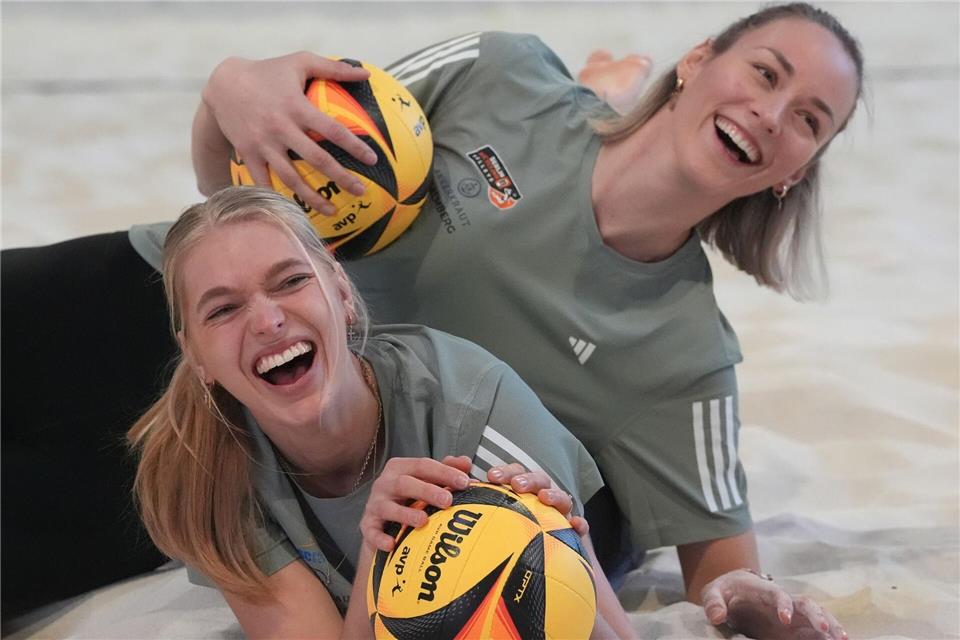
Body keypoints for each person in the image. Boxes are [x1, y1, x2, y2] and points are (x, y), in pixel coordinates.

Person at [177, 3, 861, 635]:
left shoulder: (688, 357)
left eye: (809, 119)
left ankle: (610, 89)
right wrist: (229, 87)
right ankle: (608, 89)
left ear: (794, 175)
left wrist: (748, 597)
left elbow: (720, 571)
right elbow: (232, 185)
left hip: (293, 438)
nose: (773, 113)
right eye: (765, 73)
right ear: (698, 59)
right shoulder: (498, 70)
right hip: (220, 318)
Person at [127, 186, 634, 638]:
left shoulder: (475, 413)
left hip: (591, 512)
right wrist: (376, 553)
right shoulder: (203, 470)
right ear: (194, 357)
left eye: (290, 281)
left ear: (342, 292)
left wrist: (551, 557)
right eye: (223, 309)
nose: (267, 320)